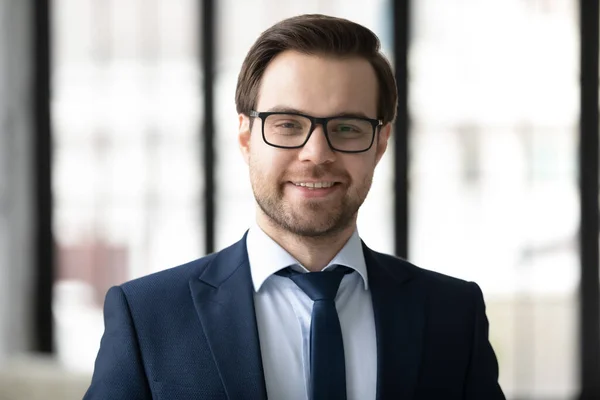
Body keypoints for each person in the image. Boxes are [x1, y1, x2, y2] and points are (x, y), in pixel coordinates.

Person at [84, 14, 505, 400]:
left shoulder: (453, 316)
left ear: (380, 143)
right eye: (288, 125)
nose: (316, 153)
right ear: (246, 136)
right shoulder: (147, 316)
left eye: (346, 127)